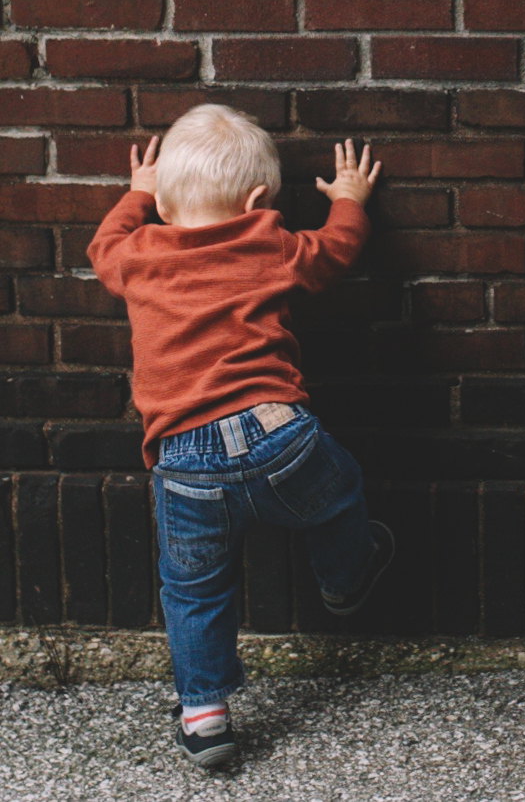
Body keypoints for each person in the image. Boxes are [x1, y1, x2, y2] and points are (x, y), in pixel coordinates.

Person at [87, 105, 391, 768]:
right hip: (280, 437)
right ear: (259, 201)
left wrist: (136, 194)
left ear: (165, 204)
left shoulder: (138, 253)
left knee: (193, 591)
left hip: (184, 461)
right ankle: (345, 575)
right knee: (340, 491)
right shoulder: (267, 241)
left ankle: (204, 716)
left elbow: (101, 247)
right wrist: (348, 201)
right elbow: (334, 250)